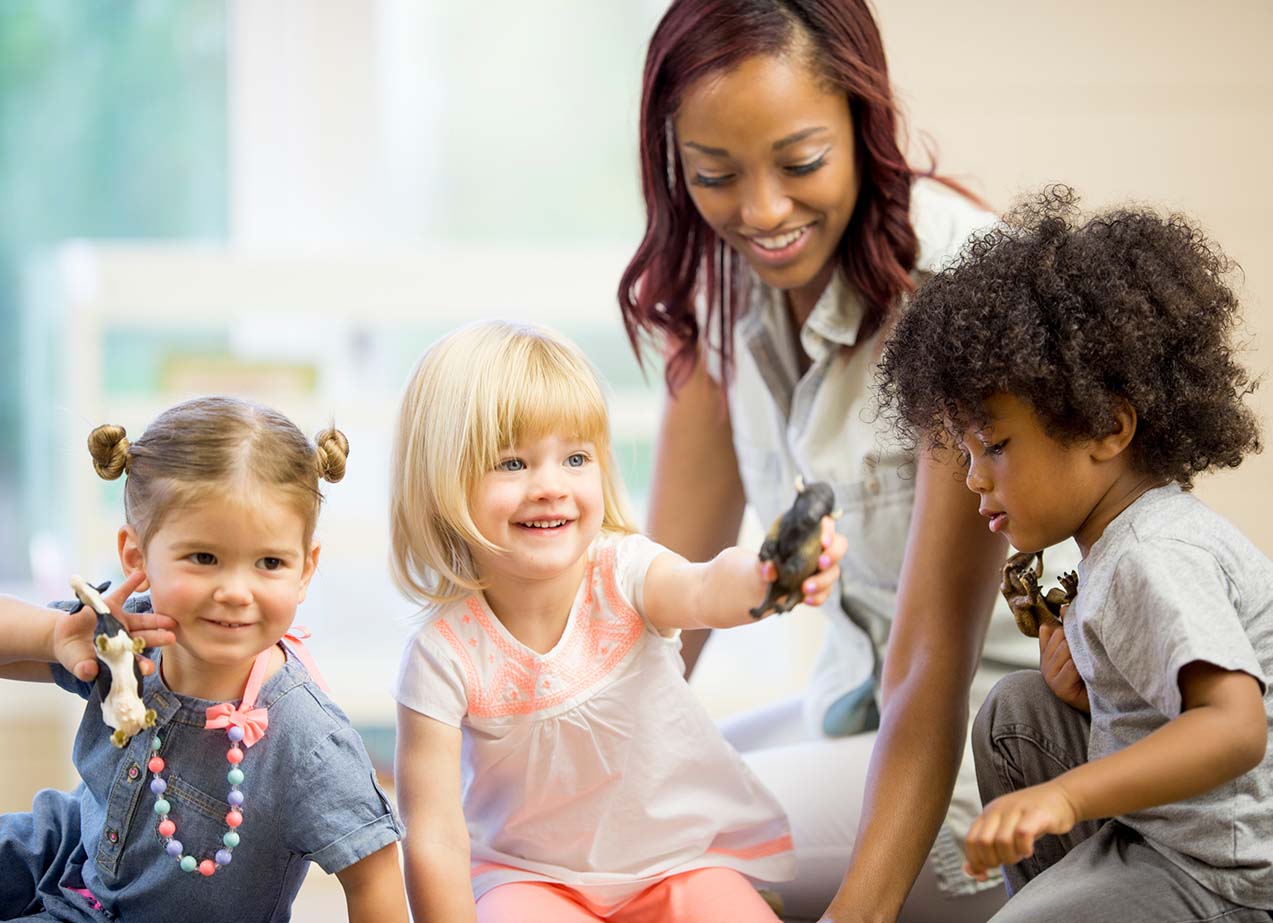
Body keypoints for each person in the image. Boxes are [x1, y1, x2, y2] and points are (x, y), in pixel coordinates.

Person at [618, 1, 1069, 920]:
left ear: (865, 128)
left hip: (993, 756)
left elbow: (931, 665)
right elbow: (654, 605)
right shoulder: (721, 285)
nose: (761, 212)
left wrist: (854, 914)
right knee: (580, 823)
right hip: (853, 712)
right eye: (714, 174)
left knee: (639, 852)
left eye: (800, 163)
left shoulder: (961, 291)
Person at [877, 186, 1271, 921]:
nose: (972, 477)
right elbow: (1162, 704)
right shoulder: (1115, 541)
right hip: (1164, 828)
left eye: (994, 445)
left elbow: (1234, 726)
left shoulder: (1152, 553)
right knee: (1015, 713)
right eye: (964, 451)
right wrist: (1093, 690)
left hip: (1225, 872)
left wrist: (1062, 794)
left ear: (1106, 427)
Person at [388, 320, 847, 923]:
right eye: (512, 462)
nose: (551, 486)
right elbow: (436, 836)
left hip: (679, 862)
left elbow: (706, 585)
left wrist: (766, 576)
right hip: (531, 879)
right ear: (440, 485)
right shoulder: (442, 655)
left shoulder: (624, 572)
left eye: (575, 457)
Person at [0, 397, 408, 923]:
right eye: (204, 558)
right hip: (67, 848)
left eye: (269, 562)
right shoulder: (125, 635)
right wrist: (55, 635)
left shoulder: (306, 744)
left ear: (305, 570)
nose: (236, 591)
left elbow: (374, 875)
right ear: (136, 555)